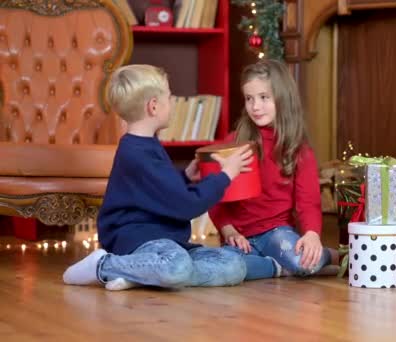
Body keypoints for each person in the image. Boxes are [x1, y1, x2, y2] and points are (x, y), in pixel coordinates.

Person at [63, 64, 252, 291]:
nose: (172, 103)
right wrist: (226, 175)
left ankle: (139, 274)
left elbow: (158, 193)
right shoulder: (136, 153)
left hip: (167, 243)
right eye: (170, 97)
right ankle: (104, 266)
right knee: (177, 266)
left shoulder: (147, 145)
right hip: (137, 240)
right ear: (153, 106)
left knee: (234, 264)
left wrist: (184, 177)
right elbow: (186, 205)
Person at [209, 59, 338, 280]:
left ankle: (331, 256)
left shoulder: (298, 149)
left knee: (303, 262)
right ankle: (277, 267)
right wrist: (228, 230)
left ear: (282, 98)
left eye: (264, 98)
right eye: (249, 99)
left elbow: (308, 201)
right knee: (225, 266)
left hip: (276, 233)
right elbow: (215, 195)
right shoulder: (233, 142)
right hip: (239, 237)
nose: (255, 106)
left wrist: (312, 234)